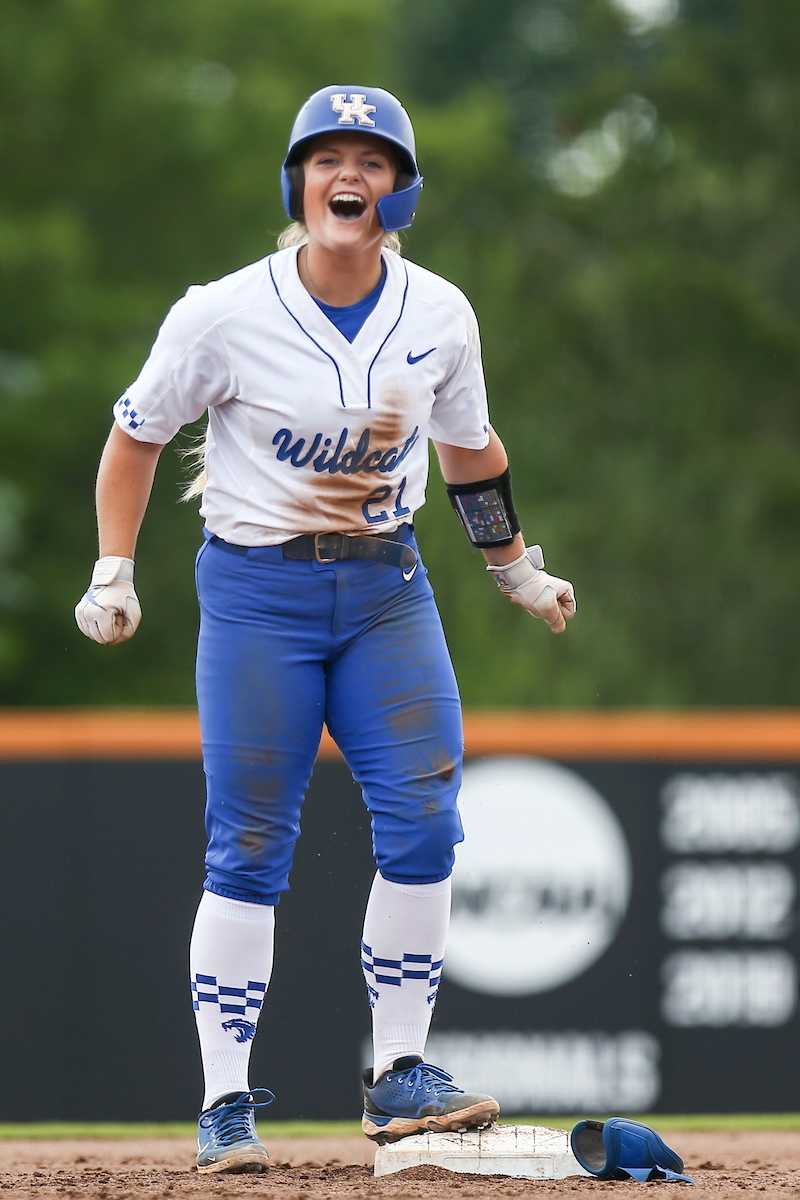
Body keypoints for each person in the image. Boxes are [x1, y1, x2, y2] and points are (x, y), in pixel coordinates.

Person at [75, 85, 576, 1174]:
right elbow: (136, 434)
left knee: (427, 822)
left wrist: (512, 568)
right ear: (297, 183)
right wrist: (115, 568)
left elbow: (469, 448)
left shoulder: (437, 312)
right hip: (258, 592)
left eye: (372, 160)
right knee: (248, 848)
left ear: (399, 192)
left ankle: (399, 1074)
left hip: (387, 588)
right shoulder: (221, 311)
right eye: (326, 158)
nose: (347, 174)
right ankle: (222, 1103)